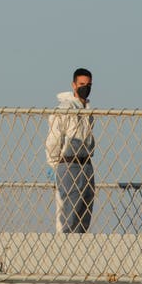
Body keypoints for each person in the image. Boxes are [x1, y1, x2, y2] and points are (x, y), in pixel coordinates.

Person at [45, 68, 95, 233]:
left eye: (88, 85)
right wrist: (54, 165)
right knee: (69, 215)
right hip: (69, 163)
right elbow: (54, 139)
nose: (85, 87)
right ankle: (65, 252)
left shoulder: (88, 110)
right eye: (81, 84)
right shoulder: (65, 109)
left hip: (86, 163)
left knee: (85, 212)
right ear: (74, 85)